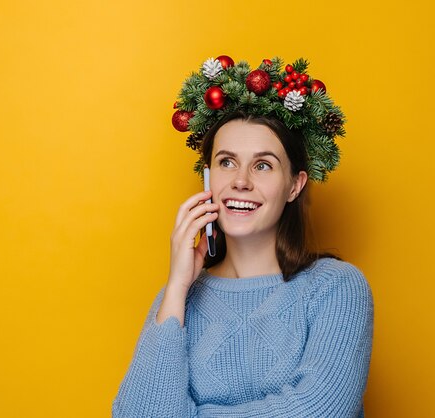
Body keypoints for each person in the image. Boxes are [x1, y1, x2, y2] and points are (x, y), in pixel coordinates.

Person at [113, 56, 374, 418]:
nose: (241, 181)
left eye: (263, 165)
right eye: (226, 162)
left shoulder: (335, 288)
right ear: (208, 178)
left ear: (294, 185)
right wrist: (176, 287)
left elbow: (320, 412)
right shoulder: (177, 299)